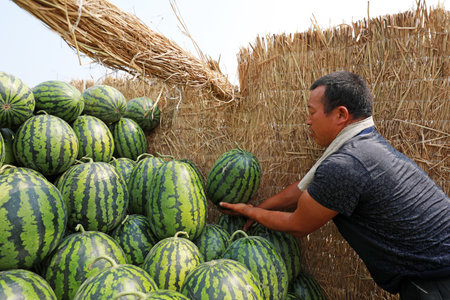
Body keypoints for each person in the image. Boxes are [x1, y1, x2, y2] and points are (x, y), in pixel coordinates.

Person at [220, 71, 450, 299]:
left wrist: (251, 211)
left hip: (437, 278)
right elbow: (304, 187)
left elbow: (297, 225)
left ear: (341, 114)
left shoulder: (346, 164)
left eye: (312, 112)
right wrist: (263, 207)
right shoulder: (364, 143)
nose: (308, 120)